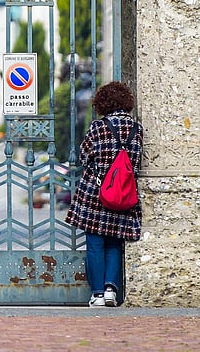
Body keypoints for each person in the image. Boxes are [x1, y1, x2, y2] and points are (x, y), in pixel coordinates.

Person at [65, 80, 143, 307]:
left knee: (95, 243)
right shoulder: (136, 129)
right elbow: (136, 162)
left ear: (102, 103)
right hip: (124, 193)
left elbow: (84, 156)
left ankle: (97, 293)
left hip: (96, 192)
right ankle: (111, 289)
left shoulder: (98, 127)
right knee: (115, 243)